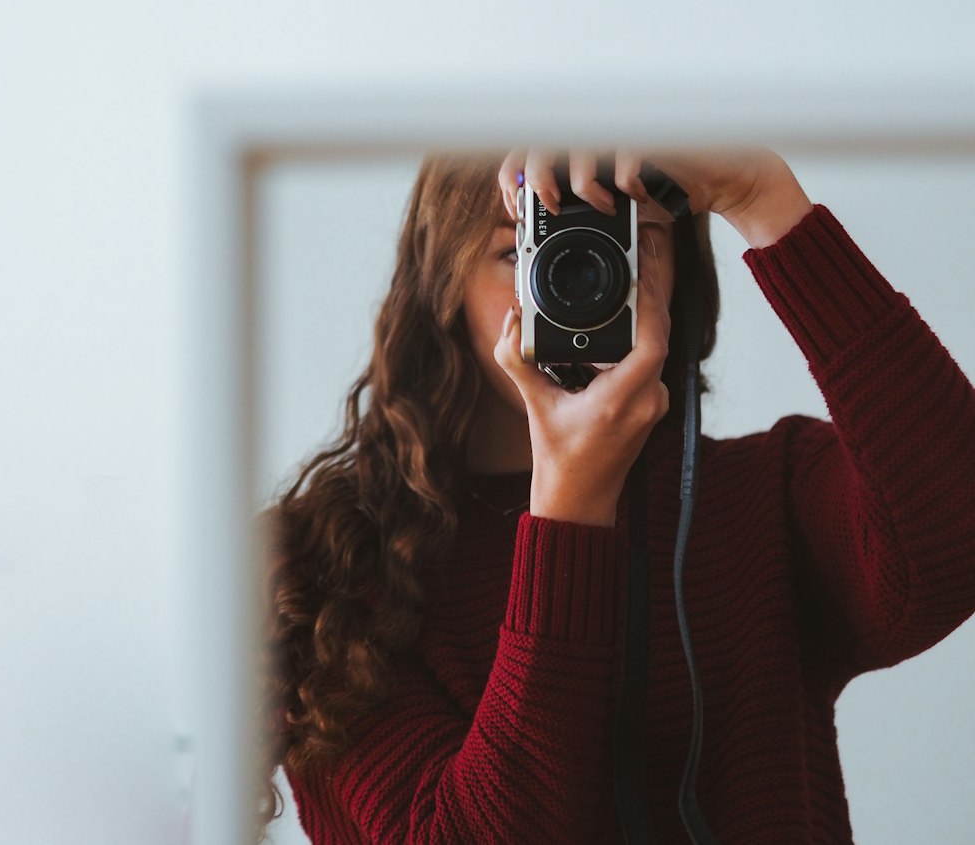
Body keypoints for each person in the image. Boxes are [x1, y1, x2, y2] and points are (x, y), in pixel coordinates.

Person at [257, 147, 975, 844]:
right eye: (523, 250)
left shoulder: (765, 495)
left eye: (630, 240)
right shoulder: (323, 569)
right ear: (440, 289)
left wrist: (764, 200)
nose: (582, 271)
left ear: (684, 281)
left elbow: (953, 537)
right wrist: (571, 511)